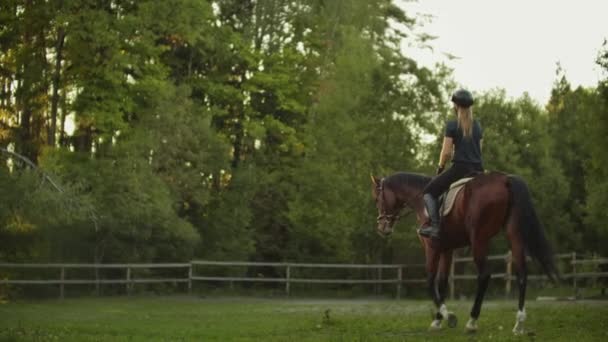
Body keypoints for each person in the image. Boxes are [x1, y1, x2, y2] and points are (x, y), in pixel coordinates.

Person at [419, 89, 484, 239]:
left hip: (460, 169)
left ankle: (435, 227)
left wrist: (440, 167)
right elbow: (479, 150)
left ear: (456, 106)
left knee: (428, 192)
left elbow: (446, 152)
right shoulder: (478, 126)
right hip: (478, 170)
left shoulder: (452, 125)